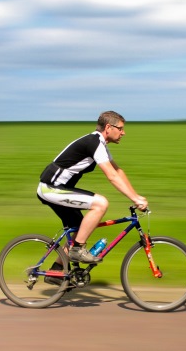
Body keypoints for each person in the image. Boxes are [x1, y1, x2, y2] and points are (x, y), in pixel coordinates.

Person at [37, 111, 148, 265]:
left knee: (80, 230)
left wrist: (137, 196)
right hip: (50, 188)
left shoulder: (99, 144)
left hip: (57, 189)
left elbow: (118, 172)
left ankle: (57, 271)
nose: (124, 132)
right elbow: (112, 176)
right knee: (101, 203)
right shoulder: (94, 143)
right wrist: (134, 198)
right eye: (121, 128)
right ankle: (78, 250)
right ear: (108, 127)